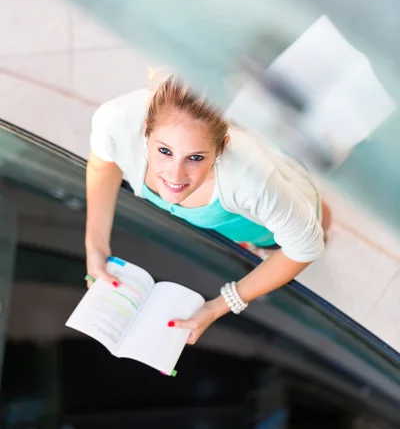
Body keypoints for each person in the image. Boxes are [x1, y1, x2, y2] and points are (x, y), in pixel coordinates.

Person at [85, 75, 331, 345]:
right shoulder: (116, 122)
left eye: (195, 158)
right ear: (146, 131)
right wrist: (95, 245)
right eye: (165, 151)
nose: (175, 175)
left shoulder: (252, 180)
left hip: (266, 222)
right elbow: (102, 164)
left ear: (221, 148)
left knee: (314, 221)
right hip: (233, 222)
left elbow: (305, 247)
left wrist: (220, 305)